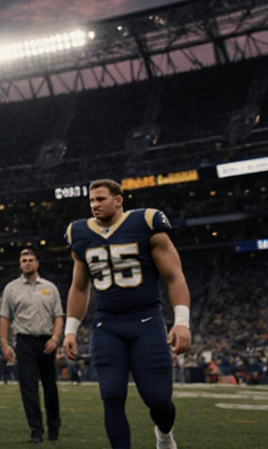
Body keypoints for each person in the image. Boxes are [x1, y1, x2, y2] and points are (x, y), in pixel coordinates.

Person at [63, 179, 190, 449]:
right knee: (111, 395)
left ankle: (164, 435)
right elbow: (79, 286)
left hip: (146, 320)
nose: (95, 205)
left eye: (100, 199)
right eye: (92, 201)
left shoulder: (145, 222)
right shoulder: (79, 232)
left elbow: (174, 276)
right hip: (106, 323)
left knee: (157, 398)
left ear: (119, 199)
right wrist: (70, 330)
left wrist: (181, 323)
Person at [0, 248, 64, 444]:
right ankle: (36, 430)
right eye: (24, 260)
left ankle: (54, 425)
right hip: (24, 341)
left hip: (47, 342)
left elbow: (58, 316)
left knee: (50, 387)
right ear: (20, 264)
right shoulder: (11, 288)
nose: (27, 263)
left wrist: (55, 338)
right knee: (29, 388)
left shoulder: (50, 288)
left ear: (37, 263)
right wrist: (4, 344)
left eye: (30, 260)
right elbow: (4, 318)